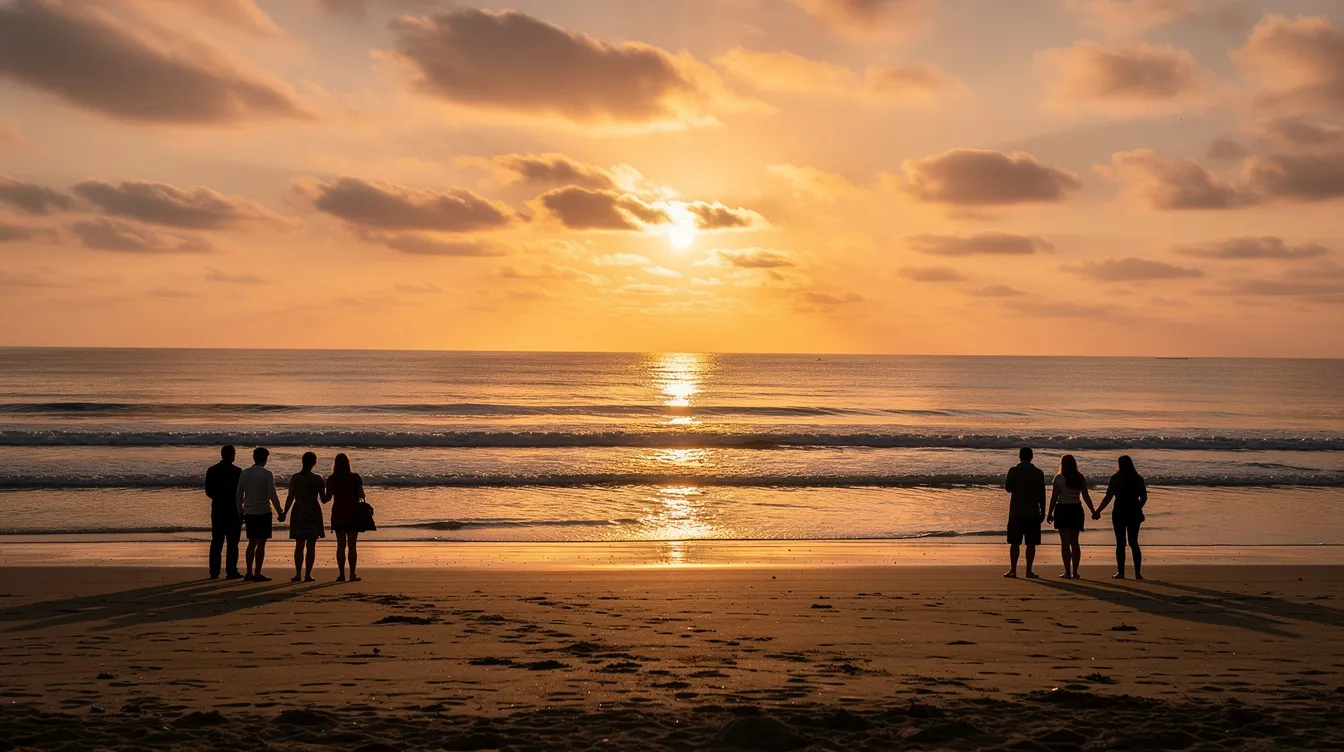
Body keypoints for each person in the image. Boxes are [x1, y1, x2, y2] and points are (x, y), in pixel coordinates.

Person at [1095, 455, 1148, 580]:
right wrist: (1138, 507)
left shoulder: (1116, 478)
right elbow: (1144, 497)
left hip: (1119, 511)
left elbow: (1108, 497)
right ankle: (1137, 573)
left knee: (1120, 543)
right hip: (1134, 512)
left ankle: (1121, 572)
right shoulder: (1138, 478)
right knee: (1134, 542)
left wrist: (1098, 511)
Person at [236, 447, 283, 582]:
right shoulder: (267, 474)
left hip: (250, 511)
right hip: (263, 511)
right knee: (261, 544)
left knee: (252, 542)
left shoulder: (245, 473)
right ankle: (257, 572)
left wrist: (240, 510)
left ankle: (249, 572)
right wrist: (280, 511)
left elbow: (239, 493)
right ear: (265, 459)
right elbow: (272, 495)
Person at [1047, 454, 1096, 579]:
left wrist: (1049, 513)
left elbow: (1054, 497)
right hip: (1076, 509)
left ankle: (1067, 572)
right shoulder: (1079, 477)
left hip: (1062, 509)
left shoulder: (1058, 478)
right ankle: (1075, 572)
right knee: (1075, 542)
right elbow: (1085, 496)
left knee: (1065, 542)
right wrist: (1093, 510)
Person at [1003, 447, 1046, 579]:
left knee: (1015, 542)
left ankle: (1013, 570)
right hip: (1032, 511)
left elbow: (1008, 488)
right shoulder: (1038, 473)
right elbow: (1042, 494)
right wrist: (1043, 511)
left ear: (1020, 457)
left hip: (1016, 511)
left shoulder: (1013, 471)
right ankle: (1029, 570)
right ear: (1032, 457)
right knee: (1031, 543)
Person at [283, 451, 326, 583]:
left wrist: (284, 513)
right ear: (314, 463)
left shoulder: (295, 477)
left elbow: (290, 496)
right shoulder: (318, 478)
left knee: (299, 545)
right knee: (311, 545)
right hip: (313, 511)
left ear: (302, 462)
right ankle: (308, 574)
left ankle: (297, 574)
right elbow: (323, 499)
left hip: (299, 510)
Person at [324, 453, 366, 582]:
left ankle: (341, 574)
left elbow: (327, 499)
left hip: (338, 512)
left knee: (340, 545)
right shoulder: (355, 477)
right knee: (352, 545)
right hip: (353, 512)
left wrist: (319, 491)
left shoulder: (332, 479)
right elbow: (361, 494)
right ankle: (352, 574)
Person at [205, 445, 243, 580]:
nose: (234, 456)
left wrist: (218, 497)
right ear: (231, 455)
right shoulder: (238, 471)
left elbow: (208, 491)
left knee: (217, 541)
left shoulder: (212, 470)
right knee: (233, 542)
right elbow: (241, 493)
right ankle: (231, 571)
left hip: (218, 508)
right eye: (234, 453)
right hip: (233, 510)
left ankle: (214, 572)